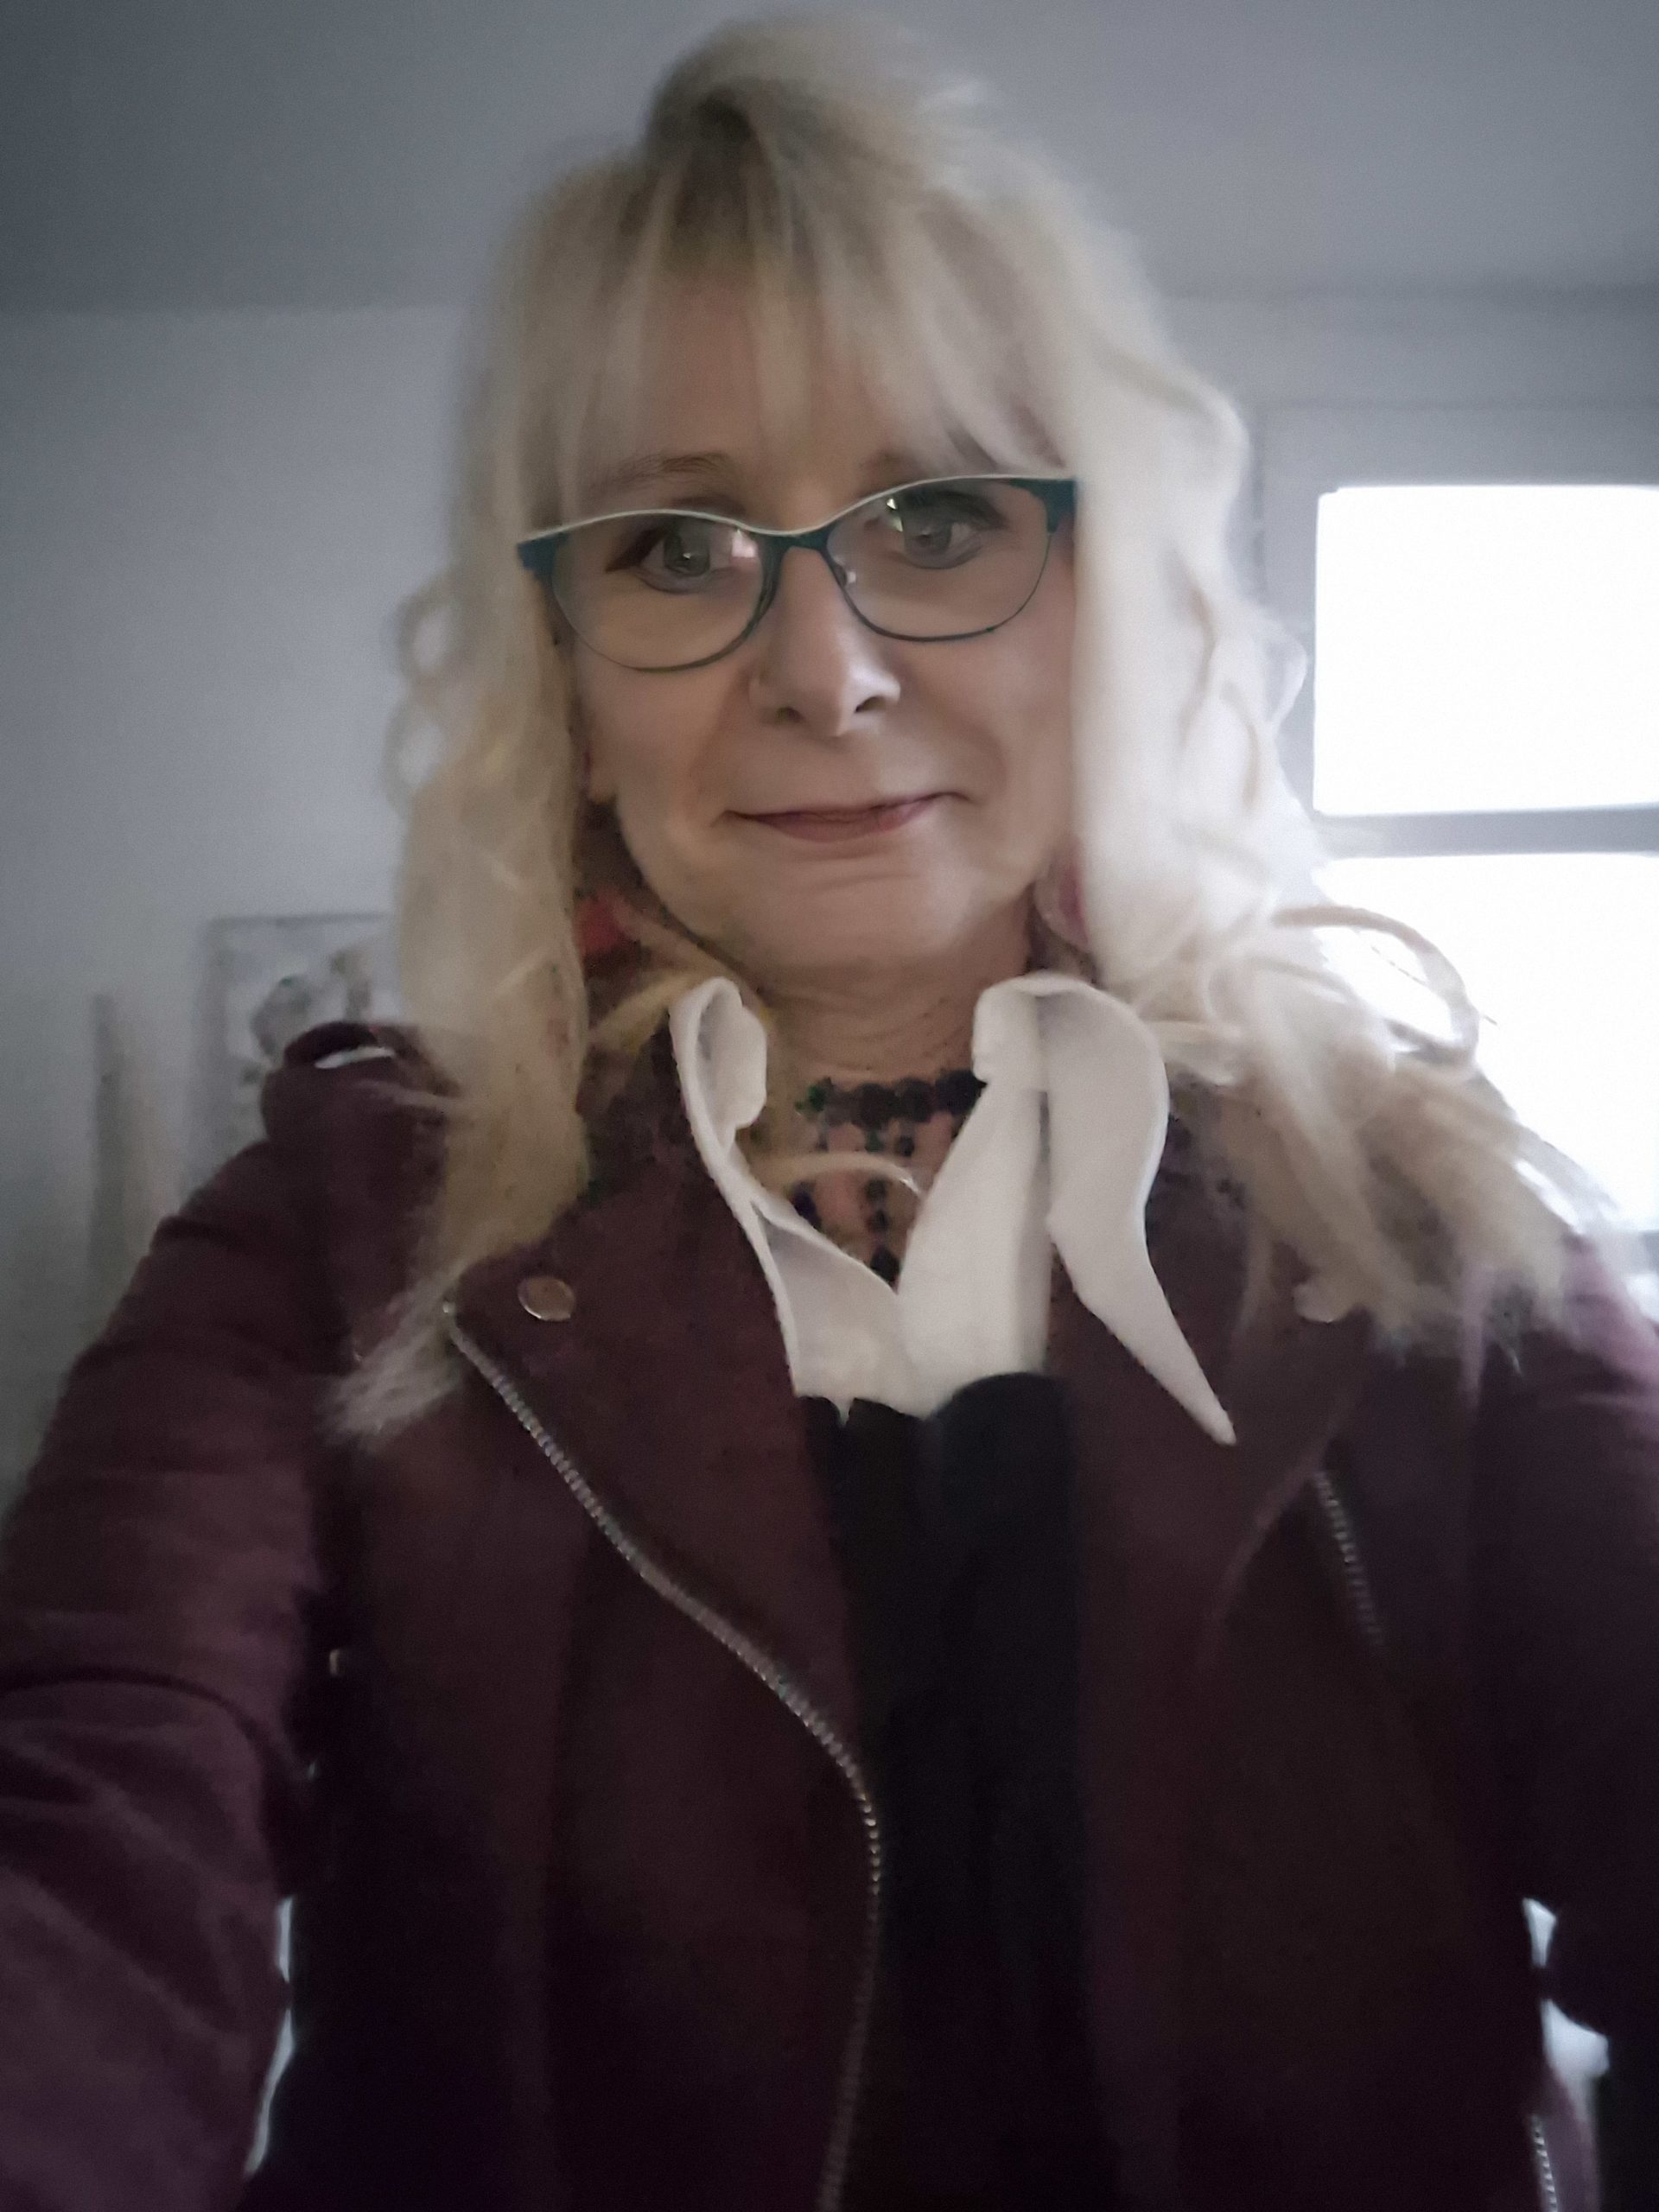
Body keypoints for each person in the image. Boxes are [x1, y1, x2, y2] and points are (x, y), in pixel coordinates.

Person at [3, 18, 1656, 2212]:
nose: (826, 668)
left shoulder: (1409, 1209)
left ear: (1109, 599)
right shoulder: (335, 1222)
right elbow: (94, 1798)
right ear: (565, 669)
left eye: (941, 517)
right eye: (678, 547)